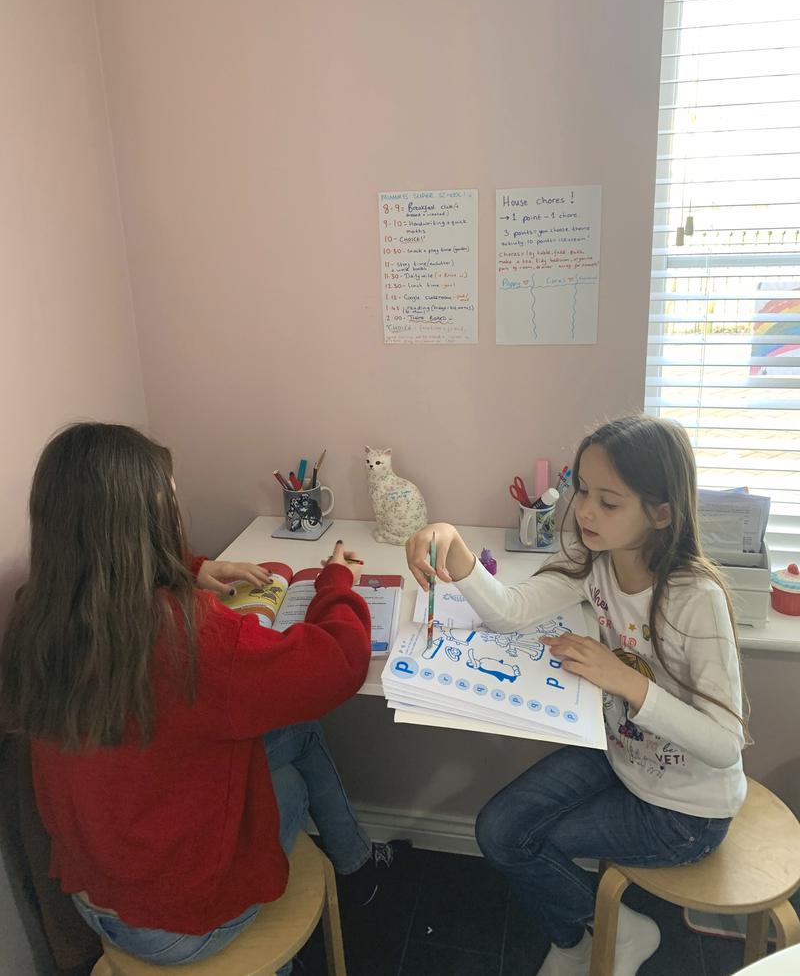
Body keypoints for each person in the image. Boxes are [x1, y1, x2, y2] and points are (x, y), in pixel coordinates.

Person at [0, 422, 405, 972]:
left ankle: (357, 869)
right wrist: (335, 581)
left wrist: (193, 569)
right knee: (289, 776)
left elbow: (105, 574)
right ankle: (350, 880)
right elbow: (339, 663)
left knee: (296, 734)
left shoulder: (37, 615)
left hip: (93, 893)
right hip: (181, 922)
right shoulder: (189, 640)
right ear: (148, 523)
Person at [406, 414, 747, 976]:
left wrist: (624, 679)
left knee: (519, 839)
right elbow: (510, 612)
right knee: (496, 827)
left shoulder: (695, 598)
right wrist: (453, 545)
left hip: (686, 812)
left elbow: (725, 744)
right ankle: (582, 938)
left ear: (661, 513)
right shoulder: (595, 562)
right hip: (620, 757)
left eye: (608, 502)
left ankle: (614, 932)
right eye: (582, 490)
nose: (584, 511)